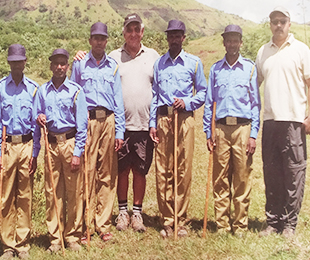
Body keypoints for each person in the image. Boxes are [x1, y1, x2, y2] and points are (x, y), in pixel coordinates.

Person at [256, 6, 310, 238]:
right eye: (274, 21)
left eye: (282, 21)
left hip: (294, 122)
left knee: (293, 173)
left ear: (289, 24)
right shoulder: (263, 52)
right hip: (270, 122)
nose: (278, 25)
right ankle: (273, 222)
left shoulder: (301, 50)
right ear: (270, 24)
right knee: (271, 174)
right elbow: (255, 84)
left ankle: (290, 224)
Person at [149, 19, 207, 238]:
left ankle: (180, 220)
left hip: (184, 119)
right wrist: (152, 124)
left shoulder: (194, 62)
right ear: (167, 38)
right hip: (164, 119)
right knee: (163, 169)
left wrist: (188, 102)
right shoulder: (159, 63)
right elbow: (154, 95)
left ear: (184, 38)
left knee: (183, 169)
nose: (174, 39)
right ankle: (166, 219)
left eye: (178, 35)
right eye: (171, 35)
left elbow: (202, 92)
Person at [203, 25, 260, 236]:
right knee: (220, 178)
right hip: (220, 128)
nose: (232, 44)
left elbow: (255, 105)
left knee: (242, 177)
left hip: (243, 128)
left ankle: (240, 225)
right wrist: (208, 133)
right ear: (224, 42)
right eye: (229, 40)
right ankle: (222, 225)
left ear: (241, 42)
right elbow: (209, 103)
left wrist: (253, 134)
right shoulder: (216, 69)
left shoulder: (250, 68)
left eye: (236, 40)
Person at [70, 22, 125, 242]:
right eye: (96, 38)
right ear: (90, 40)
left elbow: (118, 100)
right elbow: (73, 96)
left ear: (106, 41)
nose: (100, 42)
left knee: (107, 173)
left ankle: (103, 224)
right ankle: (86, 224)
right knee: (88, 173)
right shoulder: (80, 65)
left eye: (103, 38)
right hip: (88, 122)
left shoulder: (112, 65)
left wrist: (120, 131)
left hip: (109, 121)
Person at [109, 13, 160, 232]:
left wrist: (154, 121)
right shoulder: (113, 57)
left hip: (144, 124)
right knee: (122, 169)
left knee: (140, 170)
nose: (132, 33)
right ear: (123, 32)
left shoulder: (153, 56)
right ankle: (122, 212)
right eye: (128, 29)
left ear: (142, 32)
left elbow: (158, 90)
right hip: (120, 126)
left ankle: (137, 213)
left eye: (136, 29)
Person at [35, 48, 87, 252]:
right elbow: (37, 115)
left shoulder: (75, 91)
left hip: (70, 142)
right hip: (51, 145)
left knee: (74, 191)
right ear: (50, 66)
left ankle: (72, 236)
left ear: (67, 66)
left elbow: (82, 126)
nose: (59, 67)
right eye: (55, 63)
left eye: (62, 63)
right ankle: (55, 238)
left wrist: (77, 153)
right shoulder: (42, 91)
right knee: (52, 192)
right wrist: (39, 117)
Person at [0, 44, 39, 259]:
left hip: (27, 145)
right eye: (13, 61)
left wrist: (36, 153)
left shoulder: (33, 89)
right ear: (9, 62)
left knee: (25, 195)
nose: (17, 65)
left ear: (25, 62)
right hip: (7, 146)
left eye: (20, 61)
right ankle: (8, 243)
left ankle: (22, 243)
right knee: (6, 195)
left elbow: (37, 125)